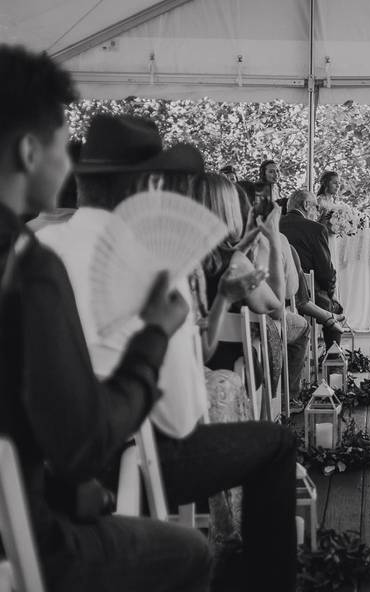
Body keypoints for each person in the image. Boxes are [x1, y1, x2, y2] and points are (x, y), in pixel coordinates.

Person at [40, 114, 298, 592]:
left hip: (43, 468)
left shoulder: (32, 246)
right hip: (132, 454)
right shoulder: (156, 261)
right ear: (152, 183)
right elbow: (180, 419)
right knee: (276, 445)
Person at [0, 44, 211, 592]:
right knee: (192, 552)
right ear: (28, 151)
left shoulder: (37, 247)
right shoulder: (27, 266)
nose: (66, 164)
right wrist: (154, 337)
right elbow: (81, 444)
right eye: (58, 146)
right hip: (30, 540)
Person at [280, 189, 343, 350]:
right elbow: (326, 272)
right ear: (307, 205)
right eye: (316, 206)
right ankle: (333, 360)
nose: (317, 212)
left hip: (278, 293)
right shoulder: (315, 229)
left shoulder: (273, 226)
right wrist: (331, 292)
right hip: (308, 294)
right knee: (335, 307)